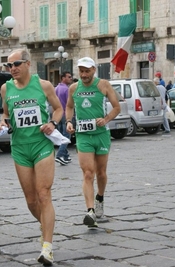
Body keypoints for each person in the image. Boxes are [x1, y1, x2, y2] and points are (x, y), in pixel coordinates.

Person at [0, 49, 62, 266]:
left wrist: (52, 123)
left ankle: (47, 247)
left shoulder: (43, 85)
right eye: (8, 65)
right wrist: (3, 122)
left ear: (27, 64)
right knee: (31, 200)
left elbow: (59, 109)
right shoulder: (6, 88)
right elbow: (6, 114)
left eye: (16, 64)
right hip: (19, 149)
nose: (12, 69)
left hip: (41, 145)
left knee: (44, 194)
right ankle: (46, 225)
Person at [65, 57, 120, 227]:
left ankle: (100, 198)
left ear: (93, 70)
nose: (83, 74)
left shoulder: (103, 85)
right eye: (81, 71)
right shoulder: (74, 88)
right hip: (83, 136)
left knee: (101, 172)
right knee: (88, 173)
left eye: (87, 71)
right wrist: (69, 121)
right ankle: (90, 211)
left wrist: (106, 119)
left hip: (101, 135)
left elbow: (117, 107)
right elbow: (69, 106)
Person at [55, 71, 73, 165]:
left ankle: (66, 156)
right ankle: (60, 155)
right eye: (69, 77)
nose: (71, 78)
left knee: (62, 136)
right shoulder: (67, 89)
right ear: (63, 78)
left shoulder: (56, 88)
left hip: (58, 115)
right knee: (66, 136)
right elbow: (69, 104)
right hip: (66, 115)